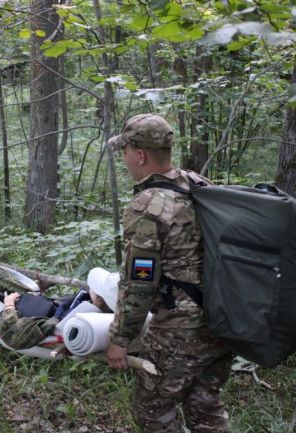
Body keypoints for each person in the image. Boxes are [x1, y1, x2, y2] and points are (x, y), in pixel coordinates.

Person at [105, 114, 233, 432]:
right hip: (224, 320)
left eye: (124, 150)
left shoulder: (147, 208)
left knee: (150, 410)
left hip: (180, 333)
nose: (124, 158)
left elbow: (140, 282)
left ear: (140, 154)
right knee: (205, 407)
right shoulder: (199, 185)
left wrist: (121, 339)